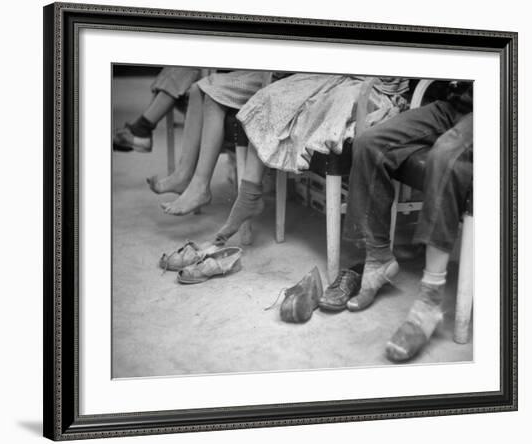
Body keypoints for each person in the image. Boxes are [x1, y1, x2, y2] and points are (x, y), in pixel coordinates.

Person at [336, 81, 473, 362]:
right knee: (369, 143)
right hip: (453, 104)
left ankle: (429, 301)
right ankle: (378, 260)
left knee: (445, 156)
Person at [210, 74, 410, 246]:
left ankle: (249, 199)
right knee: (271, 95)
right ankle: (249, 196)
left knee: (335, 103)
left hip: (376, 84)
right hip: (336, 73)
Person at [150, 70, 286, 216]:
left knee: (212, 93)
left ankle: (200, 187)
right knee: (197, 88)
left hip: (277, 75)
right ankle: (183, 175)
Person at [113, 66, 202, 153]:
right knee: (177, 68)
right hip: (192, 93)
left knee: (183, 70)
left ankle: (142, 129)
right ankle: (142, 128)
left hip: (207, 98)